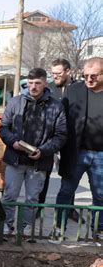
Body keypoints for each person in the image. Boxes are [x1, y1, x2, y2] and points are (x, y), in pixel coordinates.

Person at [0, 68, 67, 235]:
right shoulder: (15, 102)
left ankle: (26, 229)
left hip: (39, 162)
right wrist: (12, 142)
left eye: (37, 83)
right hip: (15, 159)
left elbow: (61, 135)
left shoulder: (56, 106)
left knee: (32, 199)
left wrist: (43, 151)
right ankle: (7, 228)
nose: (33, 87)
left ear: (45, 83)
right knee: (9, 197)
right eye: (30, 83)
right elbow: (3, 128)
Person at [55, 57, 103, 239]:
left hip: (101, 155)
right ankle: (58, 227)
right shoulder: (73, 90)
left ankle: (99, 229)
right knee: (66, 192)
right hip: (76, 153)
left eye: (94, 76)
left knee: (100, 195)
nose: (89, 80)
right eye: (85, 76)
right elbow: (61, 118)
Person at [37, 58, 80, 221]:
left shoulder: (79, 89)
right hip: (51, 139)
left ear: (68, 71)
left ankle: (69, 209)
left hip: (72, 140)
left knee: (70, 175)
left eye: (58, 73)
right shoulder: (49, 90)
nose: (54, 76)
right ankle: (38, 208)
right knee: (44, 174)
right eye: (52, 73)